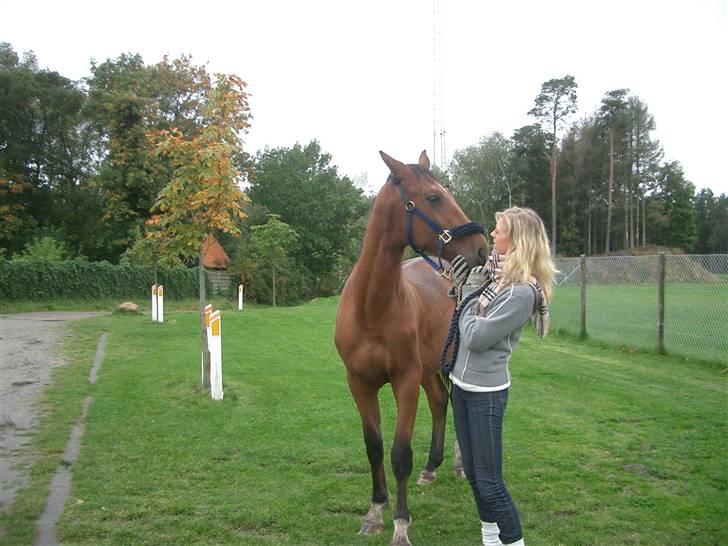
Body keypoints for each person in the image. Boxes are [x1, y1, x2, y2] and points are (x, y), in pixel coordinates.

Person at [443, 207, 555, 546]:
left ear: (517, 240)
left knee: (491, 483)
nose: (492, 235)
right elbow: (469, 314)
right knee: (475, 477)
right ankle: (491, 540)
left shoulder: (521, 292)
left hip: (485, 396)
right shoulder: (495, 277)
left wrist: (467, 297)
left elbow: (476, 337)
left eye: (498, 230)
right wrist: (462, 289)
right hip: (461, 388)